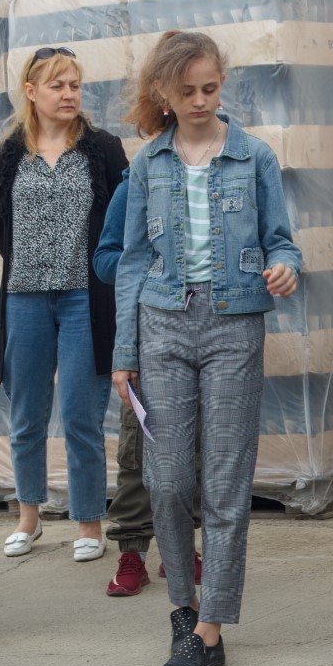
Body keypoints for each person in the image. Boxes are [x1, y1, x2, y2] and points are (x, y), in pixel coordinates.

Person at [112, 30, 302, 666]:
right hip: (161, 323)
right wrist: (124, 351)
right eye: (187, 90)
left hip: (233, 326)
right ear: (163, 92)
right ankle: (182, 606)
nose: (199, 100)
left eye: (210, 88)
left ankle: (210, 629)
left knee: (224, 482)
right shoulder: (148, 164)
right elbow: (132, 260)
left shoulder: (254, 157)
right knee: (165, 480)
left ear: (223, 85)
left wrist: (284, 266)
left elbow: (282, 240)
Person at [0, 46, 126, 562]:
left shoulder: (103, 149)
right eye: (56, 86)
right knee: (26, 414)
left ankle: (89, 522)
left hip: (84, 300)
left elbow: (122, 220)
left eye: (74, 85)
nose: (68, 95)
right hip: (24, 297)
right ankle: (29, 516)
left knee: (79, 415)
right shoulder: (8, 154)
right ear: (31, 92)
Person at [93, 170, 204, 596]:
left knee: (193, 446)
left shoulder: (213, 178)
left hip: (203, 331)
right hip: (147, 333)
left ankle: (182, 549)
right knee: (139, 446)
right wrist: (150, 264)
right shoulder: (132, 185)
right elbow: (105, 258)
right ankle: (132, 552)